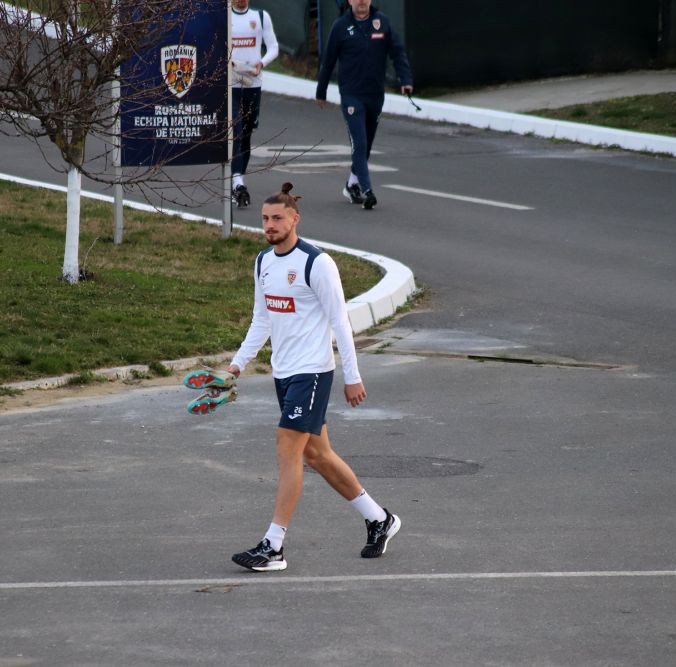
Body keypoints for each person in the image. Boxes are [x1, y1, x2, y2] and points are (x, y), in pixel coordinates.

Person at [226, 182, 401, 572]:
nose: (269, 225)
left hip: (313, 373)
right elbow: (261, 320)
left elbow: (341, 322)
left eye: (277, 218)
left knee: (288, 450)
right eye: (265, 219)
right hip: (284, 373)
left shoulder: (316, 263)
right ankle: (379, 519)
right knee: (317, 455)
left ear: (295, 219)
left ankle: (273, 546)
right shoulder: (263, 262)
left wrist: (352, 377)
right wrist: (236, 364)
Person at [316, 0, 413, 210]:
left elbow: (397, 52)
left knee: (367, 144)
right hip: (351, 95)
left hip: (375, 94)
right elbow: (329, 60)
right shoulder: (341, 26)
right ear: (349, 1)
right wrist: (321, 91)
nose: (361, 1)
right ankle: (367, 190)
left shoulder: (382, 22)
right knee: (359, 143)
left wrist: (405, 80)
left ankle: (351, 184)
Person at [229, 0, 279, 208]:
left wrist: (262, 63)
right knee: (236, 131)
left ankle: (238, 179)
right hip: (231, 85)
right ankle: (237, 182)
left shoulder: (260, 17)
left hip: (253, 84)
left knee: (246, 134)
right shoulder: (225, 17)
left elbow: (273, 47)